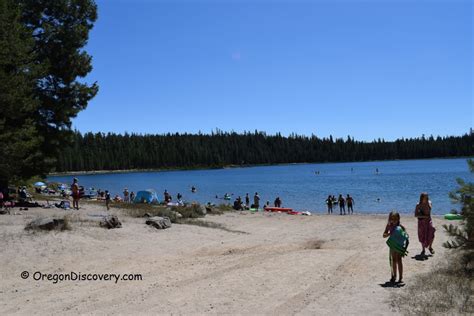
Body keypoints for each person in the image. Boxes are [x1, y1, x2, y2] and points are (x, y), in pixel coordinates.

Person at [383, 211, 408, 283]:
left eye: (395, 219)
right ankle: (394, 276)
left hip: (399, 246)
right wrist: (389, 234)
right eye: (391, 219)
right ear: (389, 219)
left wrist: (405, 248)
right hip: (392, 245)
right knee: (393, 260)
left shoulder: (401, 227)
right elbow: (384, 235)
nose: (393, 221)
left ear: (398, 219)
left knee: (399, 260)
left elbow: (405, 237)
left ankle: (400, 277)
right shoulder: (388, 226)